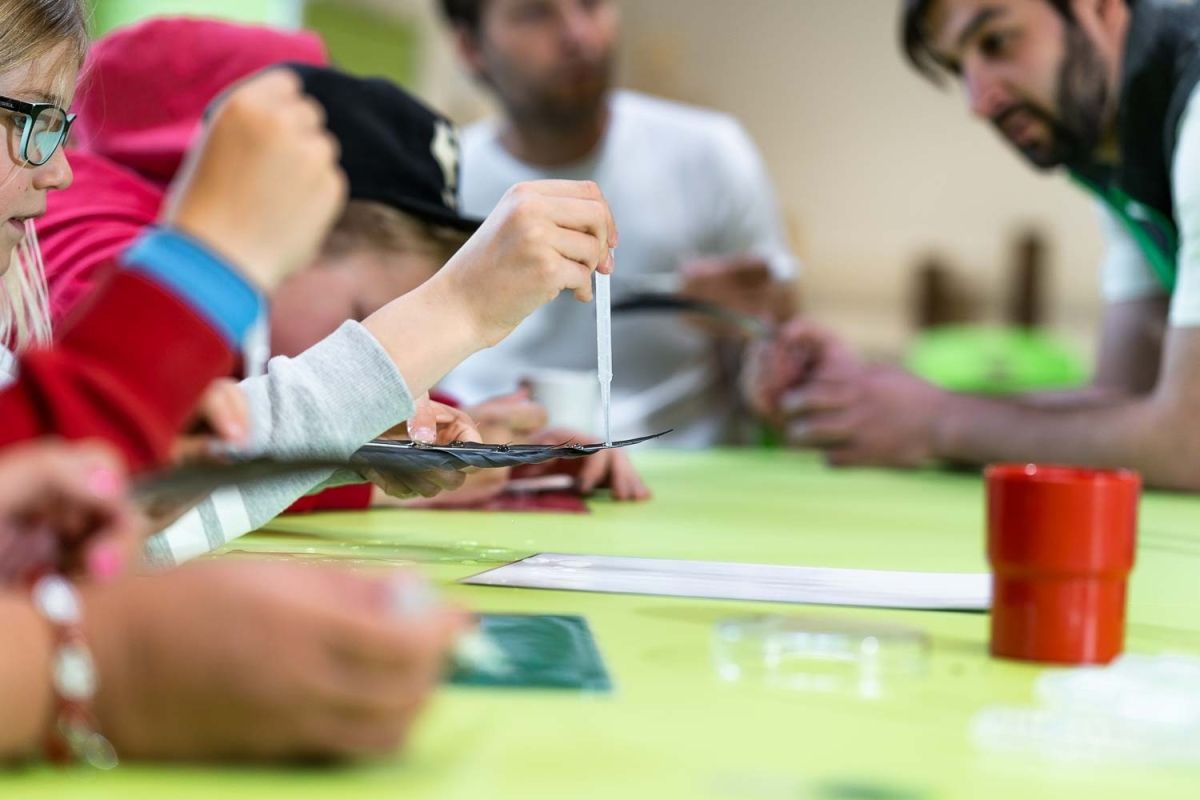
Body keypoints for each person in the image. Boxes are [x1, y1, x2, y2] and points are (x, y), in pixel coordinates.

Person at [750, 0, 1200, 491]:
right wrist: (872, 399)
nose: (978, 101)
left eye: (996, 41)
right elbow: (1124, 402)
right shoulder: (1121, 148)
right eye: (958, 67)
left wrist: (937, 422)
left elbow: (1187, 442)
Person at [438, 0, 799, 447]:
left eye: (591, 4)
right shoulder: (438, 176)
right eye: (535, 13)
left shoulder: (711, 153)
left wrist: (752, 326)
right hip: (480, 468)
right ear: (470, 46)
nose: (579, 35)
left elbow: (782, 345)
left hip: (682, 471)